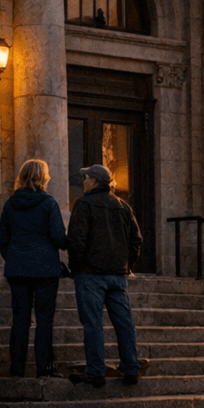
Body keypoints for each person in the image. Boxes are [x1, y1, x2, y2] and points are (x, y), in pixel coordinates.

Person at [67, 163, 143, 387]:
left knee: (93, 323)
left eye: (86, 178)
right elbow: (135, 241)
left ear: (95, 181)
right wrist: (126, 265)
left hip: (91, 274)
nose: (83, 182)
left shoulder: (84, 204)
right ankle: (130, 367)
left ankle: (96, 370)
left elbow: (76, 240)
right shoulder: (123, 206)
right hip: (116, 275)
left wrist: (76, 267)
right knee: (124, 323)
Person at [0, 159, 67, 378]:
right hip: (45, 269)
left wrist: (15, 258)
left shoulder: (10, 204)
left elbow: (2, 239)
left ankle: (16, 369)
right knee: (45, 320)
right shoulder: (49, 203)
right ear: (42, 177)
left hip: (17, 269)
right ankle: (44, 368)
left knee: (20, 320)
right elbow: (58, 238)